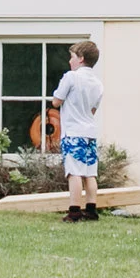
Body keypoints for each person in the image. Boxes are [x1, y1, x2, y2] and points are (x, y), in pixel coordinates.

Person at [49, 40, 104, 222]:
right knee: (90, 172)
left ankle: (74, 211)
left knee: (74, 172)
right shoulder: (98, 83)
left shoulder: (71, 77)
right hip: (90, 132)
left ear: (80, 59)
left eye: (72, 57)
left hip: (73, 132)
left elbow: (56, 101)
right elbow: (92, 111)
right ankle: (91, 209)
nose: (69, 61)